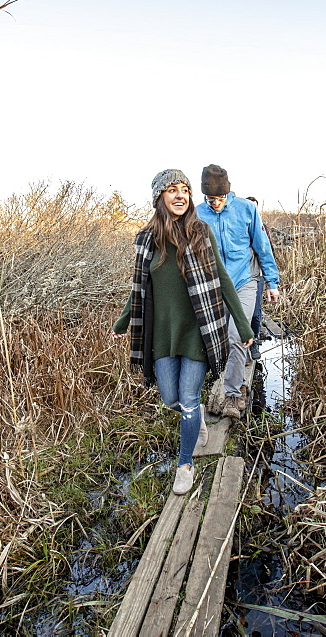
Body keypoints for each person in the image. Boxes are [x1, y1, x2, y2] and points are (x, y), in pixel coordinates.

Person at [113, 169, 253, 495]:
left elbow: (223, 279)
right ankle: (197, 417)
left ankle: (185, 463)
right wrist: (124, 321)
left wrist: (243, 325)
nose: (180, 196)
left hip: (197, 332)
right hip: (163, 334)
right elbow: (139, 289)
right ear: (159, 198)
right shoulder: (147, 240)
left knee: (188, 399)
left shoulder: (201, 232)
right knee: (171, 398)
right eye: (172, 190)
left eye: (185, 190)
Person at [196, 165, 280, 419]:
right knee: (212, 340)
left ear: (228, 192)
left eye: (220, 198)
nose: (216, 203)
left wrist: (272, 282)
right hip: (213, 286)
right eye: (211, 199)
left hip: (244, 282)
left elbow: (262, 247)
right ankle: (220, 383)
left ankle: (233, 395)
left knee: (236, 335)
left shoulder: (246, 209)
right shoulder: (197, 214)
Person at [244, 196, 272, 361]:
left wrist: (270, 281)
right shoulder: (236, 226)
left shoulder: (262, 229)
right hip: (239, 276)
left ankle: (253, 340)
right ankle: (241, 349)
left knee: (255, 313)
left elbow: (268, 254)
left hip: (257, 276)